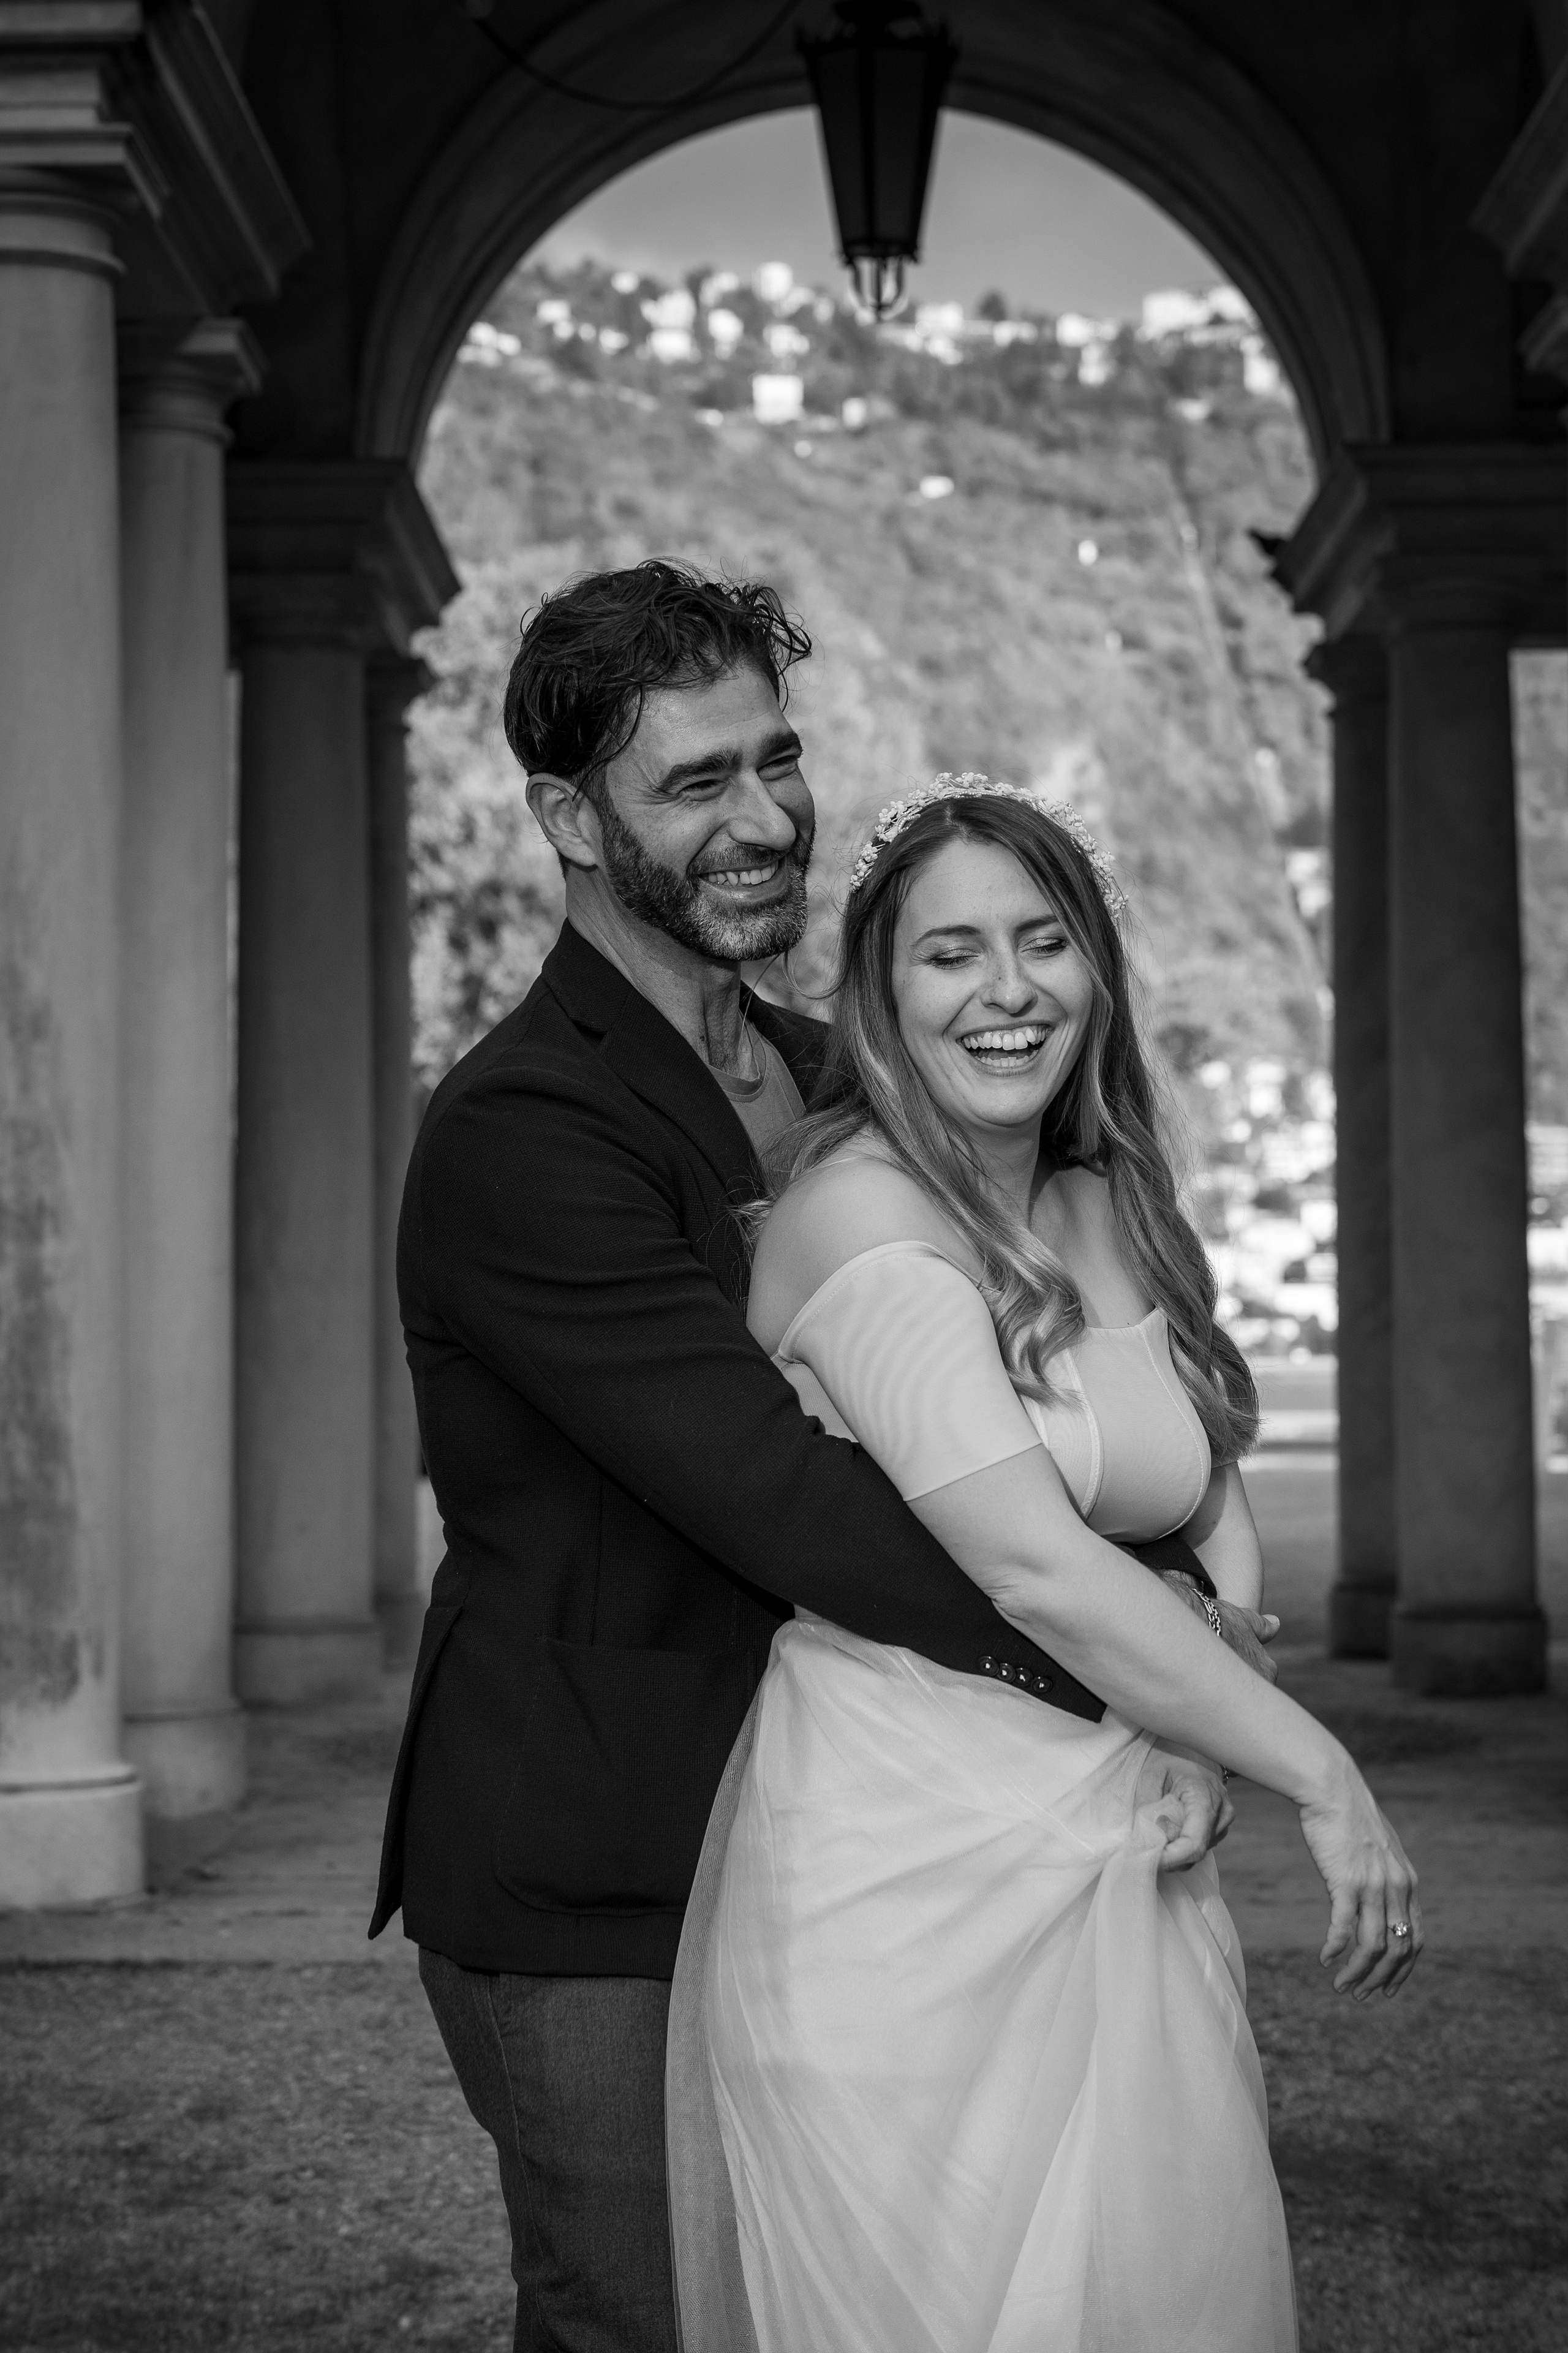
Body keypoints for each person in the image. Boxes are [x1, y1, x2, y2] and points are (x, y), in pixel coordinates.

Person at [369, 566, 1243, 2352]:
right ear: (566, 816)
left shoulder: (820, 1067)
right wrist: (1138, 1653)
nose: (764, 819)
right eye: (695, 784)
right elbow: (780, 1493)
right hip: (603, 1854)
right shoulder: (523, 1130)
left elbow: (1018, 1379)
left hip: (853, 1834)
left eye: (777, 760)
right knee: (646, 2323)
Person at [673, 779, 1422, 2353]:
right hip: (911, 1859)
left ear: (1095, 967)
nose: (1006, 991)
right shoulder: (861, 1218)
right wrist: (1316, 1769)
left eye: (1041, 942)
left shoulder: (1103, 1199)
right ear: (877, 991)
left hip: (1125, 1842)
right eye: (949, 954)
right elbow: (1034, 1566)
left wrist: (1203, 1715)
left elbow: (1196, 1494)